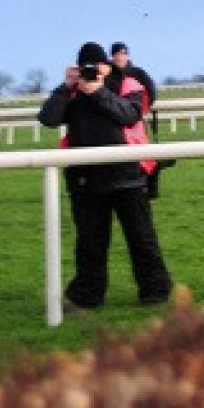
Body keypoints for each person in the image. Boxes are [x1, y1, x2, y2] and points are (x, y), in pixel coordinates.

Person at [39, 42, 173, 309]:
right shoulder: (71, 92)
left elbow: (129, 115)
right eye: (86, 67)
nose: (91, 71)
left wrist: (98, 91)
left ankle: (155, 290)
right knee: (90, 243)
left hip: (127, 174)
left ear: (107, 65)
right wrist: (66, 87)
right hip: (85, 178)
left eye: (96, 66)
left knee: (141, 237)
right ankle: (86, 296)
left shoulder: (127, 83)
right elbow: (48, 118)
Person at [106, 41, 163, 197]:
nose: (119, 57)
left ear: (127, 55)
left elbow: (150, 89)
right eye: (117, 54)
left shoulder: (137, 73)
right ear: (112, 56)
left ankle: (150, 189)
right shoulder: (107, 74)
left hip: (134, 121)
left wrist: (142, 109)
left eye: (122, 54)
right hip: (115, 121)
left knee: (145, 157)